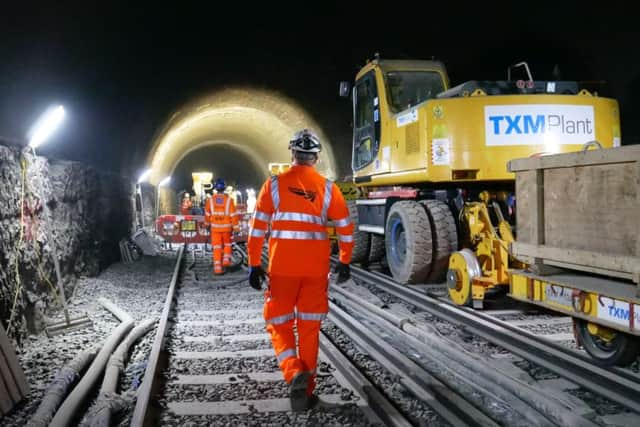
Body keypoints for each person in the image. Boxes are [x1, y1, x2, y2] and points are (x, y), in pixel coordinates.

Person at [247, 129, 354, 411]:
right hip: (315, 272)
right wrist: (344, 261)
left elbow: (257, 230)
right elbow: (345, 228)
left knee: (278, 323)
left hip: (282, 270)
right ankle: (305, 395)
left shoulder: (273, 186)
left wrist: (254, 263)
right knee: (309, 330)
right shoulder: (329, 189)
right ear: (316, 158)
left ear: (292, 154)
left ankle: (294, 373)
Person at [205, 178, 239, 275]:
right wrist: (236, 228)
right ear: (224, 188)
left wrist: (207, 225)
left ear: (215, 188)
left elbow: (207, 215)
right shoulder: (229, 200)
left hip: (215, 228)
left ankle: (218, 269)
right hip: (227, 228)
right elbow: (233, 215)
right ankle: (226, 261)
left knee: (217, 247)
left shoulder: (210, 201)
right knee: (227, 245)